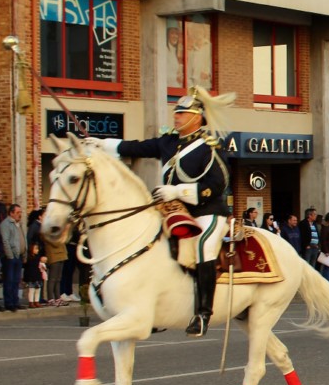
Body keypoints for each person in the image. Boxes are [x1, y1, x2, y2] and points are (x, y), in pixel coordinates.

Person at [96, 87, 234, 337]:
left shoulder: (211, 147)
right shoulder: (168, 142)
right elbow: (136, 147)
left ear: (197, 117)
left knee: (204, 246)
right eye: (176, 112)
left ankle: (203, 313)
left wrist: (179, 192)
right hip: (172, 210)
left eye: (182, 113)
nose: (176, 116)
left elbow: (217, 184)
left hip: (207, 210)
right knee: (147, 239)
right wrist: (102, 144)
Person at [0, 203, 26, 312]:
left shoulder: (18, 224)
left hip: (19, 255)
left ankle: (16, 301)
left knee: (16, 280)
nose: (20, 215)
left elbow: (22, 239)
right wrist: (10, 255)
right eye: (17, 212)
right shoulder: (6, 224)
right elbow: (5, 241)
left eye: (20, 212)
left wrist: (24, 253)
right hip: (10, 257)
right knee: (9, 280)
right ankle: (9, 302)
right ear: (11, 213)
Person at [23, 242, 45, 308]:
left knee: (38, 290)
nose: (37, 250)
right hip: (31, 277)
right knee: (31, 290)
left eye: (37, 249)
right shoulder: (29, 258)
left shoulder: (38, 258)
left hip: (38, 276)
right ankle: (31, 302)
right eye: (35, 249)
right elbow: (27, 268)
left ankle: (36, 301)